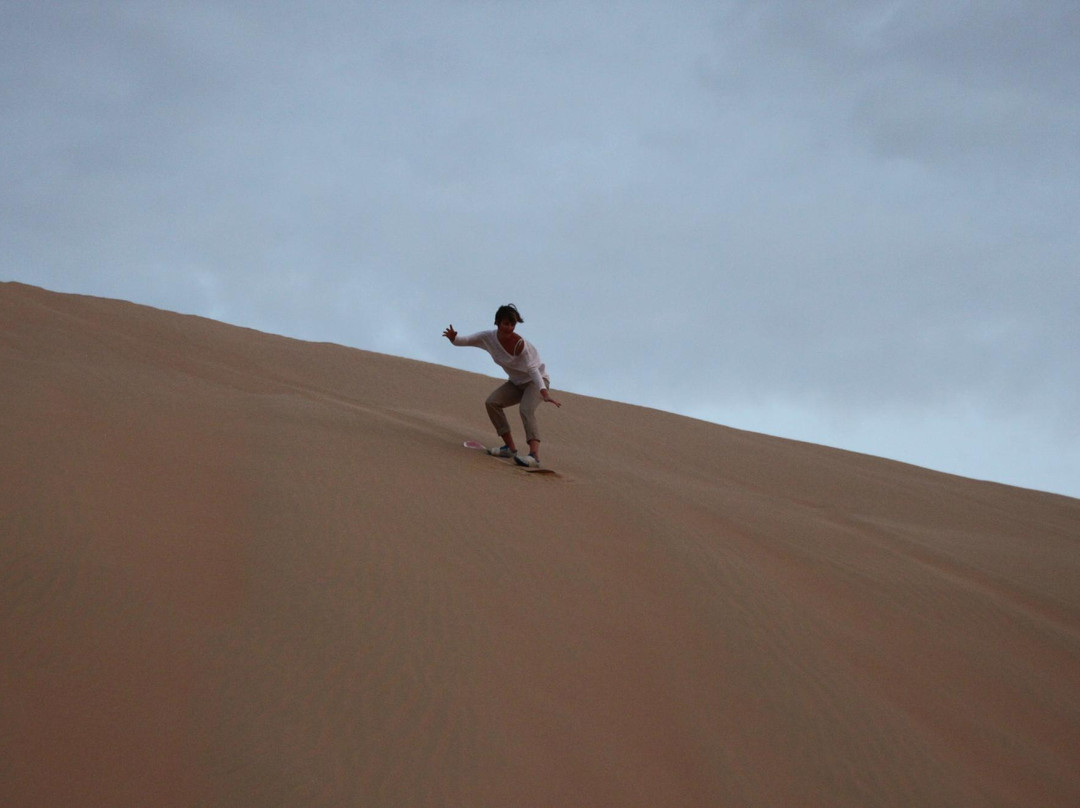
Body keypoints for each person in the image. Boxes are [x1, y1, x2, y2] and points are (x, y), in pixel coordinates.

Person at [443, 303, 561, 467]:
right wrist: (453, 339)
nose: (510, 328)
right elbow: (466, 340)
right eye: (506, 323)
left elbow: (533, 370)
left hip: (536, 382)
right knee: (492, 403)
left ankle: (534, 456)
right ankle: (509, 448)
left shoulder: (520, 344)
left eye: (513, 324)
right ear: (497, 322)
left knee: (526, 410)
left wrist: (544, 392)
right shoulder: (488, 338)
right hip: (516, 383)